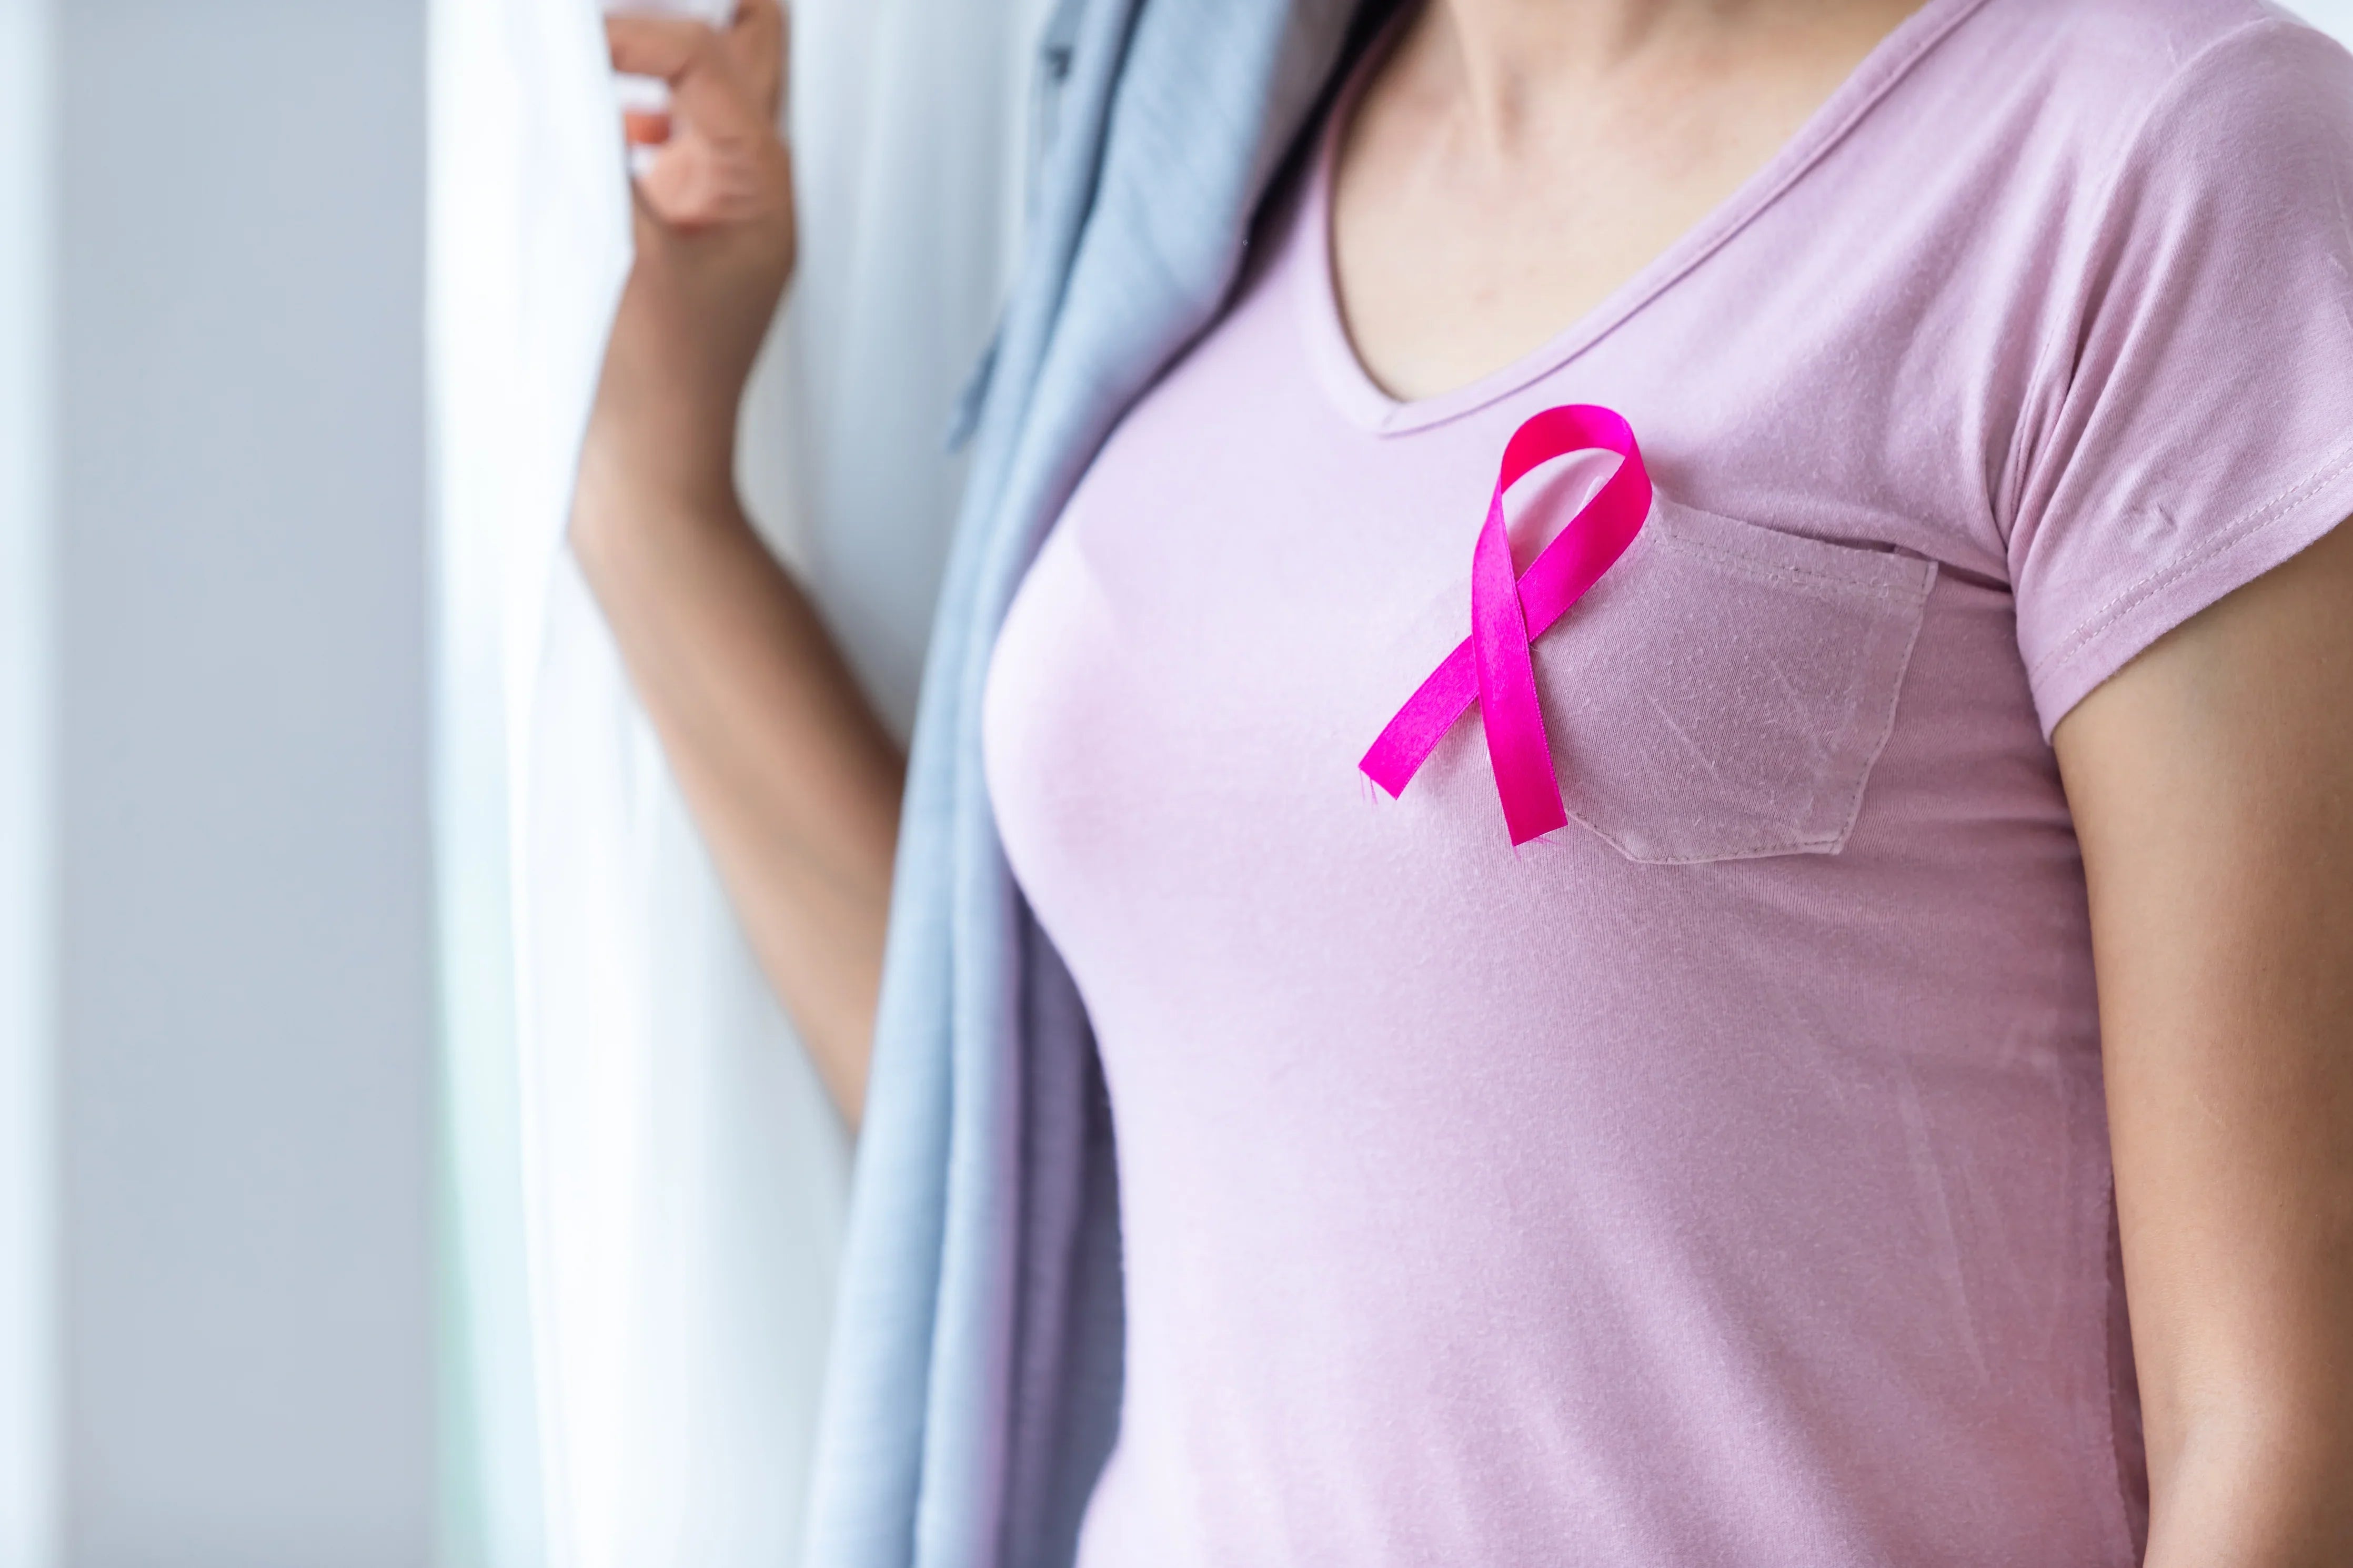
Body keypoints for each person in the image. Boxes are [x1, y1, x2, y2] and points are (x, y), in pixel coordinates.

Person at [574, 0, 2353, 1563]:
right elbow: (1041, 1153)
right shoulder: (1181, 213)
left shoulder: (2153, 155)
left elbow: (2287, 1434)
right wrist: (652, 508)